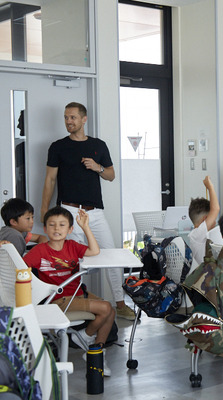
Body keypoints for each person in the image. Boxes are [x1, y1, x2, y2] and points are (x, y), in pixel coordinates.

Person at [40, 102, 135, 320]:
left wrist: (97, 167)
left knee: (110, 255)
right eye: (65, 118)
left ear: (84, 119)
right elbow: (50, 179)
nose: (68, 121)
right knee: (74, 260)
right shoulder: (58, 146)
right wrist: (46, 211)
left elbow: (111, 175)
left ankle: (120, 303)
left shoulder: (99, 145)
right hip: (69, 211)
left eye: (72, 117)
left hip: (95, 212)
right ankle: (74, 302)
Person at [24, 206, 115, 375]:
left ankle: (96, 351)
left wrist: (85, 227)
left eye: (62, 225)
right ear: (45, 228)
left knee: (110, 311)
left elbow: (94, 251)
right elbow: (21, 268)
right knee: (106, 308)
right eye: (51, 225)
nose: (56, 228)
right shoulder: (39, 251)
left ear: (70, 229)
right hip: (57, 299)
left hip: (77, 294)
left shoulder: (72, 246)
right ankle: (86, 338)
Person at [188, 176, 220, 265]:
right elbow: (216, 209)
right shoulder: (197, 234)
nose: (214, 222)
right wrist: (210, 187)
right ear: (205, 219)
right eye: (213, 219)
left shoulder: (197, 235)